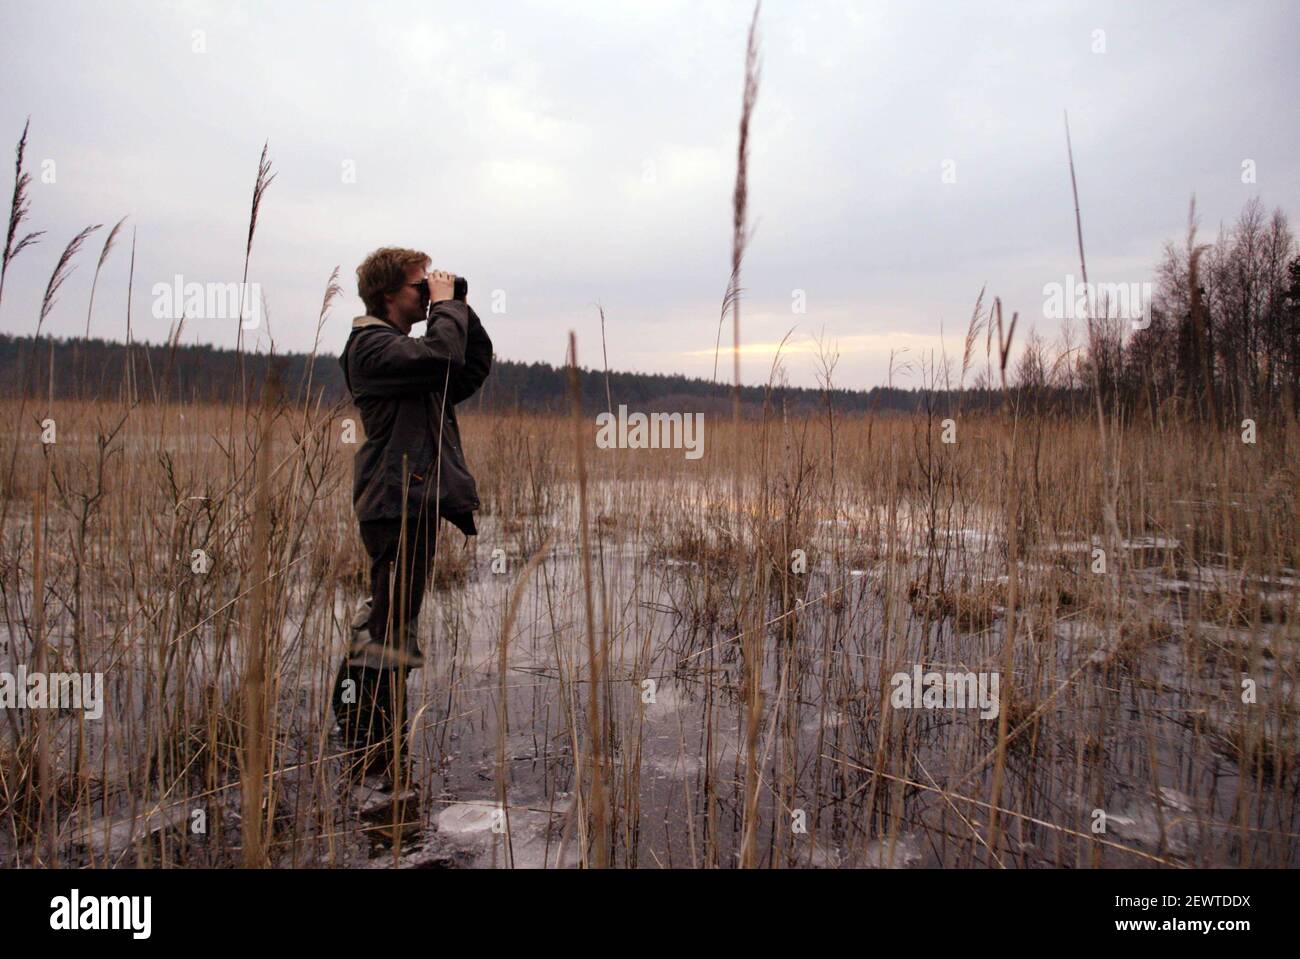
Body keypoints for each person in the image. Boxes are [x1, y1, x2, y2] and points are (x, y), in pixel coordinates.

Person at [331, 247, 492, 785]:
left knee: (391, 614)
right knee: (391, 621)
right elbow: (442, 358)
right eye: (419, 286)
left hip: (409, 498)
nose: (428, 293)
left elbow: (465, 369)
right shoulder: (372, 346)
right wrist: (446, 310)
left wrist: (459, 305)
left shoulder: (406, 353)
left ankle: (363, 728)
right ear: (387, 295)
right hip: (394, 500)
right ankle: (371, 739)